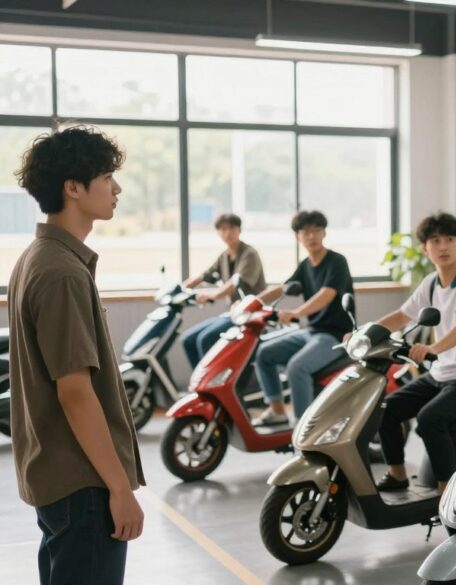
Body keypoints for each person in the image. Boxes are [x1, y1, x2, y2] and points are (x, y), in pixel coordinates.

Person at [8, 126, 146, 584]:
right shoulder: (62, 272)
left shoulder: (35, 258)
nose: (117, 188)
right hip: (84, 485)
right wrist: (119, 488)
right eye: (107, 176)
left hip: (60, 481)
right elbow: (75, 393)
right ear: (73, 187)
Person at [373, 212, 456, 495]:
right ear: (424, 248)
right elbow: (402, 315)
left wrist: (432, 348)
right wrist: (366, 333)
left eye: (450, 240)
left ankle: (445, 491)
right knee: (385, 409)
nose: (443, 247)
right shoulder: (431, 282)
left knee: (430, 419)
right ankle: (397, 474)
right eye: (435, 241)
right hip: (441, 372)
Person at [251, 210, 355, 425]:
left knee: (297, 367)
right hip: (311, 332)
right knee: (264, 353)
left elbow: (327, 294)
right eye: (305, 232)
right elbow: (283, 288)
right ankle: (277, 410)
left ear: (324, 233)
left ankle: (303, 425)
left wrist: (297, 313)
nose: (311, 236)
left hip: (334, 336)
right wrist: (253, 303)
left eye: (317, 230)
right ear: (297, 236)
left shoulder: (337, 261)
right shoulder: (305, 265)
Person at [179, 213, 266, 368]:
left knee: (205, 339)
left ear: (239, 230)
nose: (227, 233)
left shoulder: (249, 254)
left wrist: (212, 295)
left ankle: (213, 387)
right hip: (233, 314)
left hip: (250, 315)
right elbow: (204, 275)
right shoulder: (224, 256)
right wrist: (181, 289)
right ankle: (200, 386)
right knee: (188, 340)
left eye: (231, 228)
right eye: (223, 229)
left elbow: (234, 284)